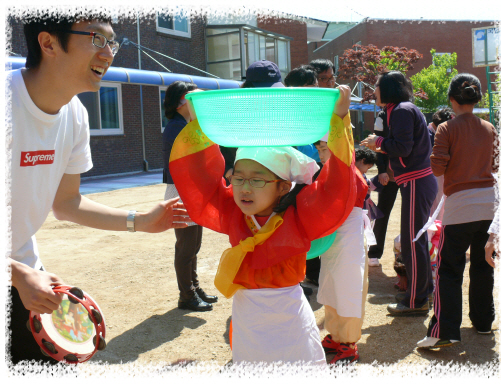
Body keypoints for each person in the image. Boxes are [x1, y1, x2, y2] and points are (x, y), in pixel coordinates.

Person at [7, 14, 189, 366]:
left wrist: (141, 221)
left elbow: (67, 203)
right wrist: (15, 273)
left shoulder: (75, 114)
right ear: (48, 43)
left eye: (112, 43)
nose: (108, 53)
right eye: (96, 39)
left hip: (27, 275)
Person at [169, 85, 357, 364]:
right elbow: (202, 179)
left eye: (257, 179)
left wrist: (340, 117)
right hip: (248, 315)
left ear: (283, 186)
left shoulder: (300, 216)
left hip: (289, 314)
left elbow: (337, 188)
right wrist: (199, 126)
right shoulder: (233, 212)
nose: (244, 188)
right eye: (238, 178)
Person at [417, 74, 499, 349]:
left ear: (452, 100)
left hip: (460, 207)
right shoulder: (489, 128)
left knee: (449, 270)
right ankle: (484, 322)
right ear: (476, 99)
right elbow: (497, 166)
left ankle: (445, 331)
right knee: (483, 265)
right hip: (489, 205)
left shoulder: (446, 129)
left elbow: (437, 168)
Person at [360, 70, 437, 316]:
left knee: (413, 242)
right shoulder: (401, 108)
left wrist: (377, 143)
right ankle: (420, 292)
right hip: (415, 181)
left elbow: (403, 147)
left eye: (378, 85)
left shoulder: (402, 110)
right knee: (414, 241)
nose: (375, 90)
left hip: (416, 180)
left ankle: (416, 300)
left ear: (389, 88)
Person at [313, 144, 376, 364]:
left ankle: (348, 343)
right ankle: (336, 334)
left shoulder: (349, 172)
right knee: (331, 284)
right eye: (318, 150)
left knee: (348, 287)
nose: (321, 156)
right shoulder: (331, 169)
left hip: (348, 236)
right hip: (334, 238)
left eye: (325, 150)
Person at [162, 81, 218, 311]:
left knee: (194, 244)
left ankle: (193, 288)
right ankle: (186, 295)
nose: (194, 102)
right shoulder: (177, 127)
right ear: (178, 104)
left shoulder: (185, 124)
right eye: (189, 98)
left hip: (191, 191)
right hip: (181, 191)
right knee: (186, 246)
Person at [367, 109, 400, 268]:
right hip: (389, 174)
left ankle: (408, 252)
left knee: (411, 214)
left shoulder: (409, 112)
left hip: (410, 173)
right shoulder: (382, 116)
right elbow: (377, 144)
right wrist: (381, 170)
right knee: (382, 213)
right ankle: (374, 252)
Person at [427, 107, 455, 222]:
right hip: (432, 175)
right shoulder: (427, 134)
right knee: (435, 205)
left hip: (442, 175)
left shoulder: (436, 133)